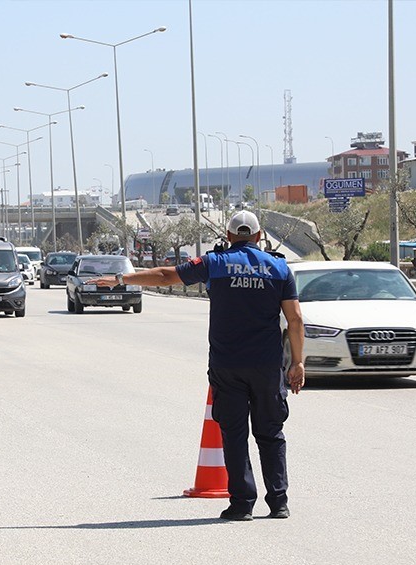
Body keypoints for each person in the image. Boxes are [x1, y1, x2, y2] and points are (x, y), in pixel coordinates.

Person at [89, 210, 304, 521]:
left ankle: (242, 504)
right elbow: (295, 320)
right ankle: (279, 502)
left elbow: (165, 276)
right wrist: (297, 362)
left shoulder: (214, 263)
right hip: (267, 366)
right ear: (259, 237)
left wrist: (121, 279)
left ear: (229, 237)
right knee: (271, 432)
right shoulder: (279, 268)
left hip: (228, 364)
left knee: (233, 433)